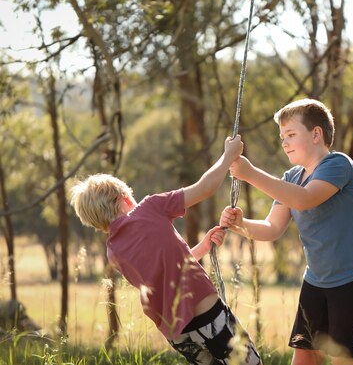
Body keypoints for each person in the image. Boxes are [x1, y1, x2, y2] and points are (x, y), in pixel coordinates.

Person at [220, 99, 353, 365]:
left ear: (316, 134)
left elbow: (304, 199)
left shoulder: (337, 165)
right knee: (305, 356)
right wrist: (241, 224)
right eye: (282, 136)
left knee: (345, 358)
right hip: (318, 281)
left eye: (291, 134)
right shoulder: (292, 178)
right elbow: (272, 228)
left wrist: (250, 173)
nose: (284, 142)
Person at [69, 135, 261, 365]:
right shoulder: (150, 207)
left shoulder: (114, 252)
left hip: (177, 334)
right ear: (124, 199)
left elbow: (168, 271)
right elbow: (206, 187)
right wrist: (229, 154)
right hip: (207, 315)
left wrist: (203, 247)